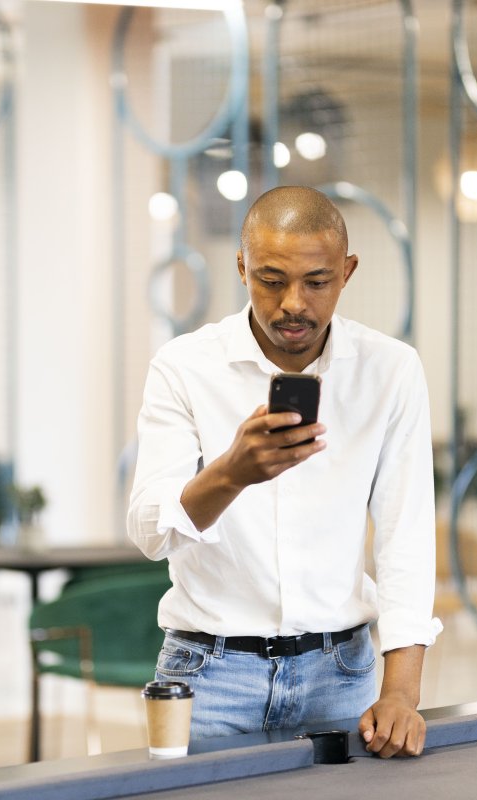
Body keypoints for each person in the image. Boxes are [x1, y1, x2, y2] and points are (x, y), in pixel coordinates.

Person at [127, 185, 440, 758]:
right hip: (209, 676)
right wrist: (231, 473)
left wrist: (402, 692)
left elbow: (406, 538)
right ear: (242, 267)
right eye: (271, 280)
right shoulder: (183, 367)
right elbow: (151, 532)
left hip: (342, 673)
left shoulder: (391, 371)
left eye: (316, 282)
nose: (294, 302)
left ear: (347, 273)